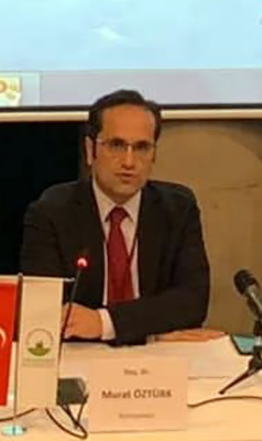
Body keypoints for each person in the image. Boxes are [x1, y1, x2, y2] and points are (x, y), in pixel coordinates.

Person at [21, 89, 221, 344]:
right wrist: (151, 327)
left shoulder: (178, 208)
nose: (129, 162)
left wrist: (104, 322)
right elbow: (45, 310)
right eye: (116, 145)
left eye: (141, 147)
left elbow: (192, 302)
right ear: (90, 150)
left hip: (157, 356)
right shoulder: (52, 211)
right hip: (81, 355)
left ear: (154, 154)